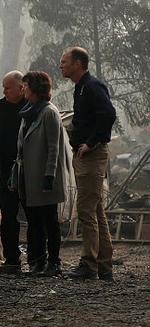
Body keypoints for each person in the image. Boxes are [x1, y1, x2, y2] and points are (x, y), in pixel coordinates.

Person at [59, 46, 117, 281]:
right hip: (84, 154)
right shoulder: (80, 89)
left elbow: (108, 114)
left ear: (78, 63)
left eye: (65, 61)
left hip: (91, 156)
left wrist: (90, 143)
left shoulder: (92, 87)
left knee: (85, 209)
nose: (61, 65)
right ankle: (103, 265)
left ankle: (89, 263)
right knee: (96, 211)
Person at [15, 71, 68, 276]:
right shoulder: (28, 111)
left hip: (44, 176)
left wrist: (49, 176)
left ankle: (54, 263)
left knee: (49, 221)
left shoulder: (49, 112)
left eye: (26, 85)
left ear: (36, 88)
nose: (23, 89)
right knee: (34, 221)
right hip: (28, 175)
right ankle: (38, 261)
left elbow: (54, 147)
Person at [0, 71, 27, 274]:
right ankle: (11, 259)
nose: (4, 91)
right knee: (8, 216)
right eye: (3, 87)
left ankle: (41, 258)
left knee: (34, 214)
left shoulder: (31, 108)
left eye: (8, 88)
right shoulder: (2, 108)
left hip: (27, 169)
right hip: (6, 171)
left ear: (21, 88)